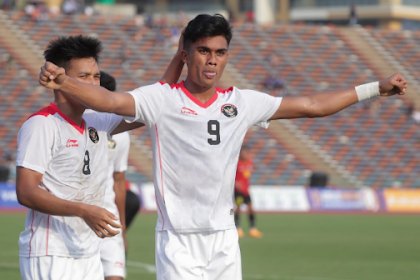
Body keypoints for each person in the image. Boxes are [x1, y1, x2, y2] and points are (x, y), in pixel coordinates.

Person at [38, 14, 407, 280]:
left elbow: (311, 106)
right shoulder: (162, 99)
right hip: (178, 241)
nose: (212, 59)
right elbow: (110, 103)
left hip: (224, 240)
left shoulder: (243, 102)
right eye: (203, 51)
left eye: (220, 52)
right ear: (186, 54)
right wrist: (63, 82)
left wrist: (374, 88)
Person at [17, 34, 184, 280]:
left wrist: (180, 56)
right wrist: (84, 211)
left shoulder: (97, 121)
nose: (94, 84)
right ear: (61, 80)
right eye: (83, 77)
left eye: (96, 76)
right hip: (51, 252)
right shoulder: (42, 125)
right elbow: (26, 192)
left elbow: (152, 103)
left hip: (89, 251)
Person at [97, 71, 131, 280]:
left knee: (115, 275)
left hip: (108, 215)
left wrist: (123, 226)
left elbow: (119, 182)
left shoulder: (120, 135)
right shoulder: (71, 126)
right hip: (76, 215)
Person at [234, 146, 262, 238]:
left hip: (246, 190)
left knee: (251, 208)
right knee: (238, 208)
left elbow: (248, 173)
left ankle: (253, 229)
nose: (244, 154)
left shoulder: (249, 162)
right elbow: (231, 176)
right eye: (242, 152)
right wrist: (236, 183)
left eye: (245, 153)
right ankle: (238, 228)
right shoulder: (236, 163)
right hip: (238, 191)